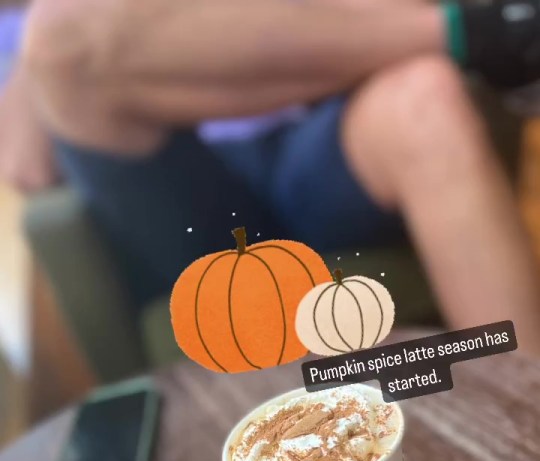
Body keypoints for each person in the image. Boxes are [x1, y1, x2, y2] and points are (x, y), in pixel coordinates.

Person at [4, 0, 540, 351]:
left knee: (426, 91)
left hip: (322, 144)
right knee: (60, 34)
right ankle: (479, 34)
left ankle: (522, 420)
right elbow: (25, 163)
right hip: (183, 194)